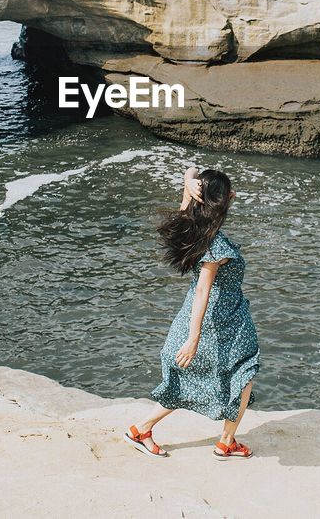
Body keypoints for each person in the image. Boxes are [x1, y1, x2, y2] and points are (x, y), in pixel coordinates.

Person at [124, 167, 259, 460]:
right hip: (221, 322)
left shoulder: (193, 225)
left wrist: (188, 180)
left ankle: (142, 430)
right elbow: (203, 292)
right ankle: (225, 441)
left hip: (208, 318)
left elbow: (193, 175)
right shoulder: (216, 245)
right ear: (222, 202)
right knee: (244, 372)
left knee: (191, 381)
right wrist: (193, 339)